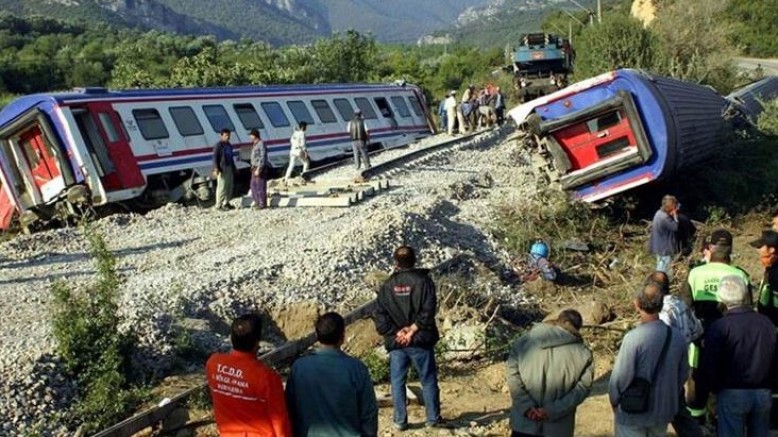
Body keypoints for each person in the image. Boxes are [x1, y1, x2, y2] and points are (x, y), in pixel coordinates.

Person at [680, 228, 751, 422]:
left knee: (697, 382)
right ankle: (720, 420)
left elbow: (682, 308)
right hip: (731, 344)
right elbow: (748, 312)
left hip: (699, 342)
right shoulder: (740, 275)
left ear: (710, 248)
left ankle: (697, 421)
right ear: (730, 249)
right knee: (726, 383)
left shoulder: (695, 274)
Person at [697, 275, 776, 437]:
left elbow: (710, 362)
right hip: (763, 392)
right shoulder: (766, 323)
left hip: (731, 393)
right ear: (745, 295)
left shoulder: (720, 326)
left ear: (721, 299)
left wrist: (710, 389)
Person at [373, 245, 442, 430]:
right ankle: (433, 418)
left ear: (395, 262)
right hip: (420, 341)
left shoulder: (387, 286)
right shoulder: (424, 282)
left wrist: (398, 332)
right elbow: (429, 311)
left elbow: (379, 317)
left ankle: (400, 421)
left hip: (397, 344)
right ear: (415, 260)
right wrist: (412, 330)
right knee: (427, 380)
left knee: (397, 382)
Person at [609, 283, 688, 437]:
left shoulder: (633, 338)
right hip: (662, 410)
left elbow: (621, 377)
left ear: (637, 304)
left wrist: (614, 400)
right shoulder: (677, 337)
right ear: (661, 304)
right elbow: (683, 373)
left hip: (633, 411)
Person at [285, 312, 378, 437]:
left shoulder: (298, 367)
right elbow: (369, 413)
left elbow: (289, 409)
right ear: (343, 337)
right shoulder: (357, 369)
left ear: (317, 335)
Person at [506, 309, 594, 437]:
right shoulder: (584, 354)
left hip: (524, 425)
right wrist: (551, 411)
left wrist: (527, 407)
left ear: (559, 321)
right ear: (577, 328)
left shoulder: (523, 342)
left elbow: (512, 376)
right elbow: (582, 389)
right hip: (558, 429)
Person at [206, 314, 291, 437]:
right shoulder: (267, 377)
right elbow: (279, 421)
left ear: (232, 338)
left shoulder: (213, 363)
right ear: (257, 343)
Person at [646, 271, 704, 437]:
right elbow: (697, 331)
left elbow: (658, 342)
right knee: (679, 411)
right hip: (680, 365)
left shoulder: (662, 311)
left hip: (665, 369)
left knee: (657, 413)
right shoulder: (680, 303)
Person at [751, 230, 778, 430]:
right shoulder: (771, 270)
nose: (759, 253)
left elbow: (766, 305)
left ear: (772, 250)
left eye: (762, 248)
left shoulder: (775, 274)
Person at [648, 195, 680, 276]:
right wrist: (675, 216)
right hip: (665, 249)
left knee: (660, 267)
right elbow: (675, 227)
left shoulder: (658, 213)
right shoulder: (665, 218)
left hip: (659, 247)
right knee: (664, 271)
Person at [212, 128, 236, 211]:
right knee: (222, 187)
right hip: (223, 168)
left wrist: (234, 168)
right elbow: (215, 158)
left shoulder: (229, 145)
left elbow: (231, 157)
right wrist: (216, 168)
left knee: (229, 186)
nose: (228, 137)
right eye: (226, 135)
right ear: (221, 136)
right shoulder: (218, 145)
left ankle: (226, 203)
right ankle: (218, 205)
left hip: (229, 167)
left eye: (229, 135)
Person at [249, 129, 269, 209]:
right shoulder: (255, 144)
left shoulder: (261, 144)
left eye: (251, 135)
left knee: (260, 185)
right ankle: (257, 201)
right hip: (254, 167)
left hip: (259, 167)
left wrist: (259, 168)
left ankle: (262, 203)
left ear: (254, 135)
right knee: (253, 185)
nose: (250, 137)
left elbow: (262, 156)